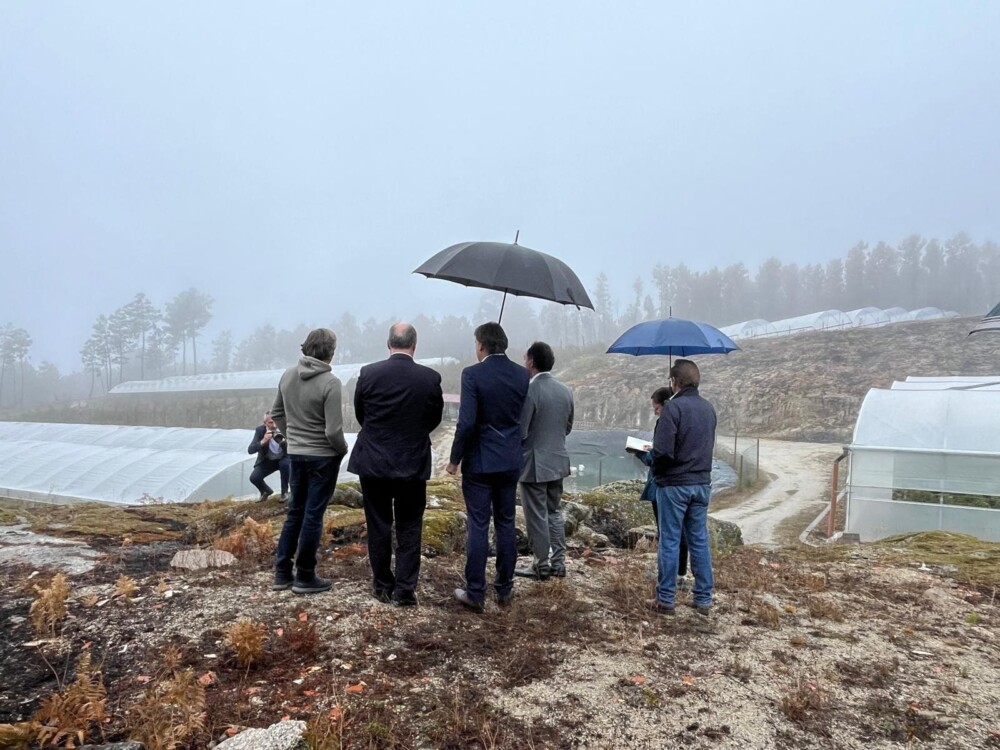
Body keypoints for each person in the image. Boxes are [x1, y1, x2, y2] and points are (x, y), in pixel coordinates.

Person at [347, 323, 444, 607]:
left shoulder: (368, 373)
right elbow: (434, 418)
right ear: (415, 344)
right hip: (412, 461)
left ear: (388, 344)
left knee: (378, 524)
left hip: (374, 460)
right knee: (410, 525)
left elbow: (361, 413)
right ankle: (405, 590)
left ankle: (382, 585)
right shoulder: (430, 378)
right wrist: (413, 433)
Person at [446, 322, 529, 612]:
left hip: (480, 462)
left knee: (479, 525)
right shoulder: (522, 375)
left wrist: (455, 459)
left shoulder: (472, 374)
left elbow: (466, 422)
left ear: (481, 345)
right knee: (506, 523)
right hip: (510, 460)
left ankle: (476, 592)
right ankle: (505, 589)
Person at [271, 328, 349, 595]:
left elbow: (277, 413)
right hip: (323, 456)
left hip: (295, 453)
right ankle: (305, 575)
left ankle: (282, 573)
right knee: (313, 515)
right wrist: (342, 449)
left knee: (295, 512)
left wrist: (291, 434)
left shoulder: (287, 375)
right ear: (330, 351)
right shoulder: (330, 382)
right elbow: (332, 431)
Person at [648, 359, 717, 616]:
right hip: (701, 484)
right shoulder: (708, 409)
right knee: (699, 541)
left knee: (670, 541)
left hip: (674, 485)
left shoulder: (672, 410)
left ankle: (665, 599)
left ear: (674, 382)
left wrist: (655, 469)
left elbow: (663, 452)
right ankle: (703, 599)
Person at [515, 341, 574, 581]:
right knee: (554, 511)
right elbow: (568, 427)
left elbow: (521, 431)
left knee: (536, 515)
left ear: (530, 361)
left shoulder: (529, 391)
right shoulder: (566, 390)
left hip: (534, 464)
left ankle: (540, 564)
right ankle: (559, 563)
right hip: (558, 460)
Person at [629, 387, 690, 589]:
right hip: (685, 482)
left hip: (663, 485)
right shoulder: (684, 421)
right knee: (680, 532)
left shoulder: (665, 422)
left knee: (667, 533)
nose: (655, 411)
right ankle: (680, 573)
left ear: (664, 404)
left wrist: (640, 453)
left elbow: (659, 459)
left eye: (656, 407)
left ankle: (667, 576)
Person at [248, 411, 290, 501]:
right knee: (254, 478)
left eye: (276, 422)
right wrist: (263, 440)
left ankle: (285, 492)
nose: (274, 425)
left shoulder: (285, 428)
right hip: (268, 461)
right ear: (265, 423)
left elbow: (293, 449)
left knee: (286, 465)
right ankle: (266, 491)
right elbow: (250, 450)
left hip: (284, 459)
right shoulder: (260, 430)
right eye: (271, 422)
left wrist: (284, 443)